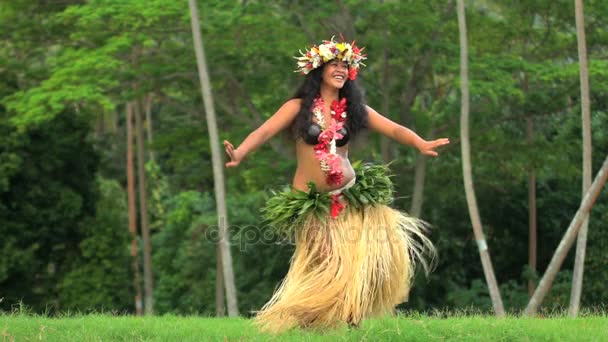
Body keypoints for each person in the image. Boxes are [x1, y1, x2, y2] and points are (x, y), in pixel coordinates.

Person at [223, 37, 449, 332]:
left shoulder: (354, 109)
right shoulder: (296, 107)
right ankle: (313, 315)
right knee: (327, 259)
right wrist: (239, 152)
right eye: (335, 65)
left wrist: (420, 143)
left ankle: (348, 314)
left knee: (361, 260)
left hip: (350, 198)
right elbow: (265, 131)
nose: (341, 69)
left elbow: (393, 127)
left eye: (346, 66)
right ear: (320, 70)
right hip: (311, 201)